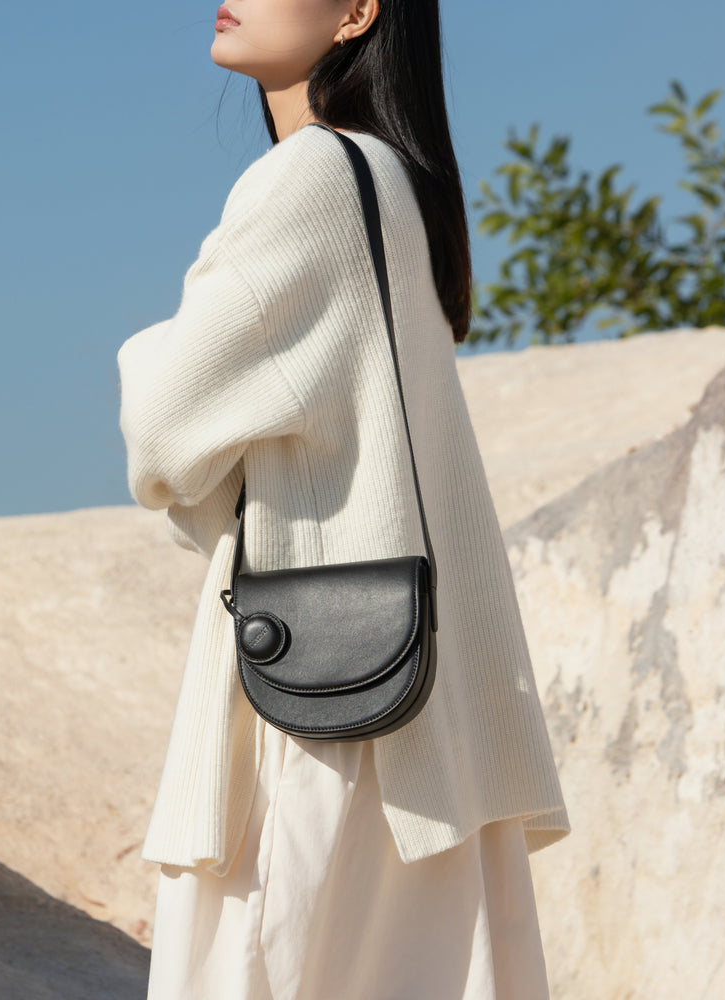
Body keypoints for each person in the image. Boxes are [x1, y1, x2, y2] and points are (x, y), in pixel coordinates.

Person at [117, 1, 570, 996]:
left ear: (358, 11)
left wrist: (147, 346)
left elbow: (162, 425)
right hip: (420, 714)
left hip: (316, 715)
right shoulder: (400, 188)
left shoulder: (310, 176)